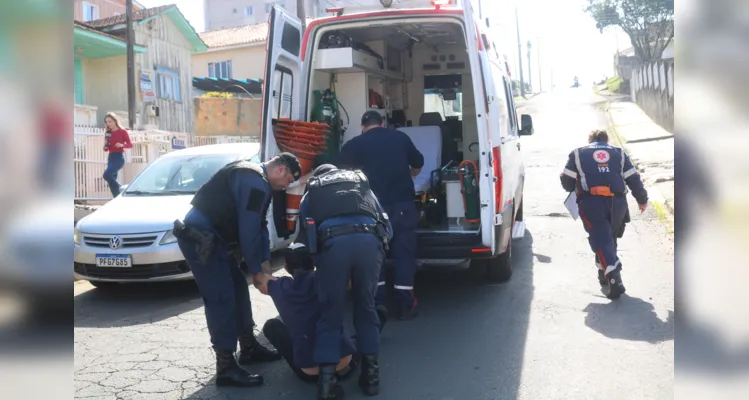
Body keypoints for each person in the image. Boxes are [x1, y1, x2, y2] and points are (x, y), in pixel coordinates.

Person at [173, 153, 302, 387]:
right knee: (222, 298)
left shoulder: (258, 180)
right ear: (281, 170)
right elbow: (249, 230)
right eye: (289, 179)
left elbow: (260, 226)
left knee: (238, 290)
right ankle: (225, 367)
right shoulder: (254, 181)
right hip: (201, 240)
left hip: (215, 241)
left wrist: (264, 266)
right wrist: (257, 270)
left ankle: (249, 347)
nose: (287, 186)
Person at [297, 164, 393, 399]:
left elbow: (305, 238)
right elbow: (386, 226)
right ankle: (371, 379)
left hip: (333, 246)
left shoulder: (312, 191)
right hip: (370, 243)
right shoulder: (360, 185)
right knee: (366, 307)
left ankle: (327, 385)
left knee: (330, 313)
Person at [261, 243, 389, 391]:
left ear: (286, 267)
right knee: (366, 328)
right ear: (313, 262)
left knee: (271, 326)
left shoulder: (278, 286)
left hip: (308, 373)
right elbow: (351, 282)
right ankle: (380, 318)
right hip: (344, 365)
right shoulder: (329, 280)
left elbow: (261, 279)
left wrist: (265, 266)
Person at [335, 110, 424, 320]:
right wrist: (409, 174)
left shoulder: (356, 143)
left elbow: (338, 168)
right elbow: (418, 162)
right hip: (402, 206)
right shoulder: (400, 137)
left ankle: (377, 304)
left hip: (371, 208)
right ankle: (406, 304)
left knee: (375, 255)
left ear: (363, 126)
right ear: (382, 123)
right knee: (404, 254)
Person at [560, 129, 648, 299]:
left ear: (589, 140)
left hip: (592, 203)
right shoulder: (619, 154)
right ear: (606, 141)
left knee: (601, 238)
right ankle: (603, 274)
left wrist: (565, 179)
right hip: (618, 204)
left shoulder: (578, 154)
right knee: (609, 238)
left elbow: (567, 184)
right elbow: (634, 179)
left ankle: (614, 278)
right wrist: (642, 199)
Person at [102, 112, 132, 197]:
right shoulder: (108, 133)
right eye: (106, 122)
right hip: (110, 158)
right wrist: (105, 146)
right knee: (111, 181)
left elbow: (130, 144)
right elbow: (106, 149)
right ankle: (117, 198)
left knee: (106, 175)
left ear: (115, 121)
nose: (108, 124)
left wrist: (122, 145)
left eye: (110, 121)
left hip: (119, 158)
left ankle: (122, 189)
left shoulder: (123, 131)